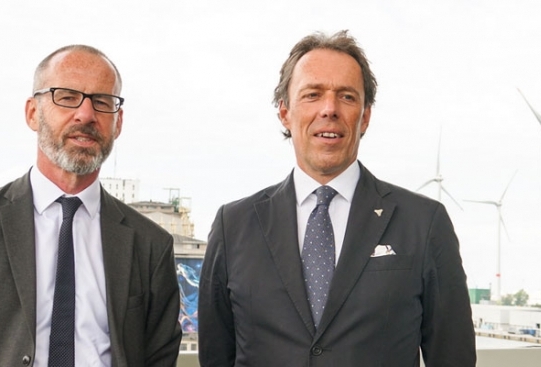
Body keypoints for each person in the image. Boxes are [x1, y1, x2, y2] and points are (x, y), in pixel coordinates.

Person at [198, 30, 476, 366]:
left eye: (346, 96)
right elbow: (216, 355)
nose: (329, 109)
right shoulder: (233, 226)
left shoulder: (424, 222)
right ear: (285, 112)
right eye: (312, 94)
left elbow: (453, 357)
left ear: (366, 116)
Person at [0, 45, 182, 367]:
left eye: (102, 101)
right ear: (33, 113)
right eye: (67, 96)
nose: (86, 114)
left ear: (118, 122)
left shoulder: (151, 246)